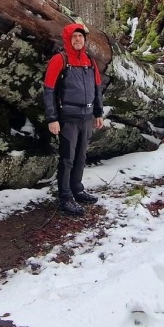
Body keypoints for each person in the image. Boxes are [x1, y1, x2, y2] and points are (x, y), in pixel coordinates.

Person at [42, 22, 105, 215]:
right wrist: (52, 118)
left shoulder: (89, 61)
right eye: (74, 37)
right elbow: (49, 90)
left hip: (86, 117)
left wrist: (98, 113)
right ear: (68, 40)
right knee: (67, 158)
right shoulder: (59, 60)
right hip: (68, 117)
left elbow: (97, 88)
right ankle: (65, 196)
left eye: (81, 37)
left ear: (85, 40)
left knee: (81, 156)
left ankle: (77, 189)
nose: (78, 40)